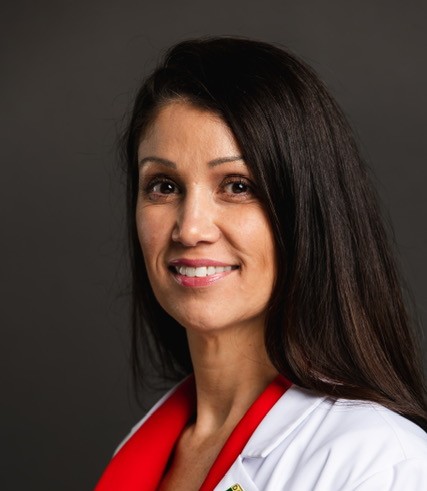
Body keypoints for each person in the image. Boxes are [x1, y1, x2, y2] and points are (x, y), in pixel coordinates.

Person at [95, 37, 427, 490]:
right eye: (164, 186)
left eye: (237, 186)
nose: (190, 229)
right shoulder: (143, 454)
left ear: (307, 212)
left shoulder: (379, 464)